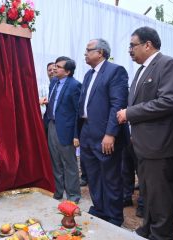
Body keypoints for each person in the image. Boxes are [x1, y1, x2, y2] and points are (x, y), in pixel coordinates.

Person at [117, 26, 173, 239]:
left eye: (132, 45)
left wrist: (129, 113)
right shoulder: (141, 69)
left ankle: (161, 235)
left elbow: (169, 101)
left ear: (148, 44)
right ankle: (148, 229)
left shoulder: (168, 64)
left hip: (160, 146)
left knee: (161, 197)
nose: (129, 50)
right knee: (148, 193)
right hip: (143, 145)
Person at [78, 38, 128, 226]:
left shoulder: (116, 71)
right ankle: (100, 209)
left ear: (100, 52)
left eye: (88, 50)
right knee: (93, 175)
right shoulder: (88, 75)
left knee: (111, 177)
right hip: (87, 131)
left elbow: (118, 104)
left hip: (105, 134)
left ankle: (114, 217)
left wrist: (110, 134)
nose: (85, 53)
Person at [45, 56, 81, 203]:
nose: (54, 68)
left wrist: (76, 135)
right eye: (54, 65)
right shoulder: (53, 82)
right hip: (52, 126)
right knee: (55, 162)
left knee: (69, 164)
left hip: (66, 130)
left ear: (67, 72)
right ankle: (58, 192)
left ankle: (73, 196)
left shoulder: (75, 85)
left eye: (58, 67)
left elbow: (78, 113)